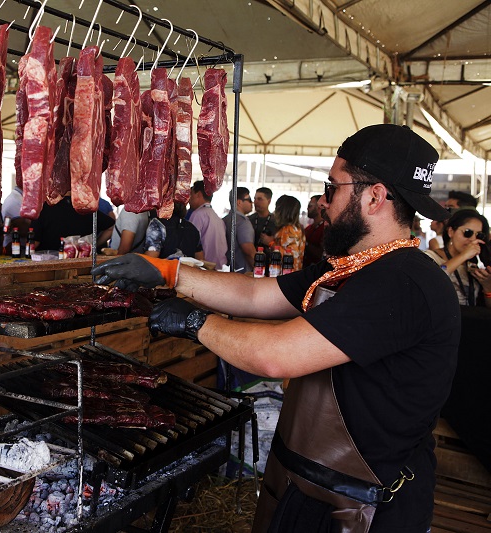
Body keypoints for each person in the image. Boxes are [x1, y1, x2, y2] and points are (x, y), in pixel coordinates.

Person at [91, 124, 460, 532]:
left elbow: (275, 355)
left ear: (374, 196)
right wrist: (168, 273)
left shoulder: (403, 282)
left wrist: (195, 322)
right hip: (307, 483)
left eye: (331, 187)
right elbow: (255, 296)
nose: (322, 202)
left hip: (362, 508)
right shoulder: (349, 269)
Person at [424, 209, 491, 307]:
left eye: (478, 235)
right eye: (468, 232)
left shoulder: (475, 264)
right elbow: (433, 279)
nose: (473, 239)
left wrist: (488, 287)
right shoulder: (430, 257)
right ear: (451, 232)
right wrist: (464, 255)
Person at [31, 195, 114, 251]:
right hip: (80, 264)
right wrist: (94, 245)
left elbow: (34, 242)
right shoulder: (85, 207)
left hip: (48, 265)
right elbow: (111, 227)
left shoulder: (43, 207)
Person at [187, 181, 228, 269]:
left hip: (206, 267)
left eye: (191, 194)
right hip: (220, 266)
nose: (188, 199)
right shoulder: (216, 217)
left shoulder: (198, 214)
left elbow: (190, 242)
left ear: (198, 194)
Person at [223, 187, 257, 273]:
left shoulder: (226, 219)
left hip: (228, 268)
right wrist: (258, 269)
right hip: (242, 271)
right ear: (239, 202)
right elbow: (249, 251)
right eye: (249, 199)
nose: (252, 203)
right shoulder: (243, 222)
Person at [269, 194, 305, 271]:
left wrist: (270, 242)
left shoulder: (288, 230)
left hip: (287, 274)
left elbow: (289, 256)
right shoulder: (296, 228)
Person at [303, 194, 326, 267]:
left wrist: (305, 243)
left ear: (320, 207)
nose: (307, 208)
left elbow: (321, 253)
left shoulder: (325, 228)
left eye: (310, 206)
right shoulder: (308, 228)